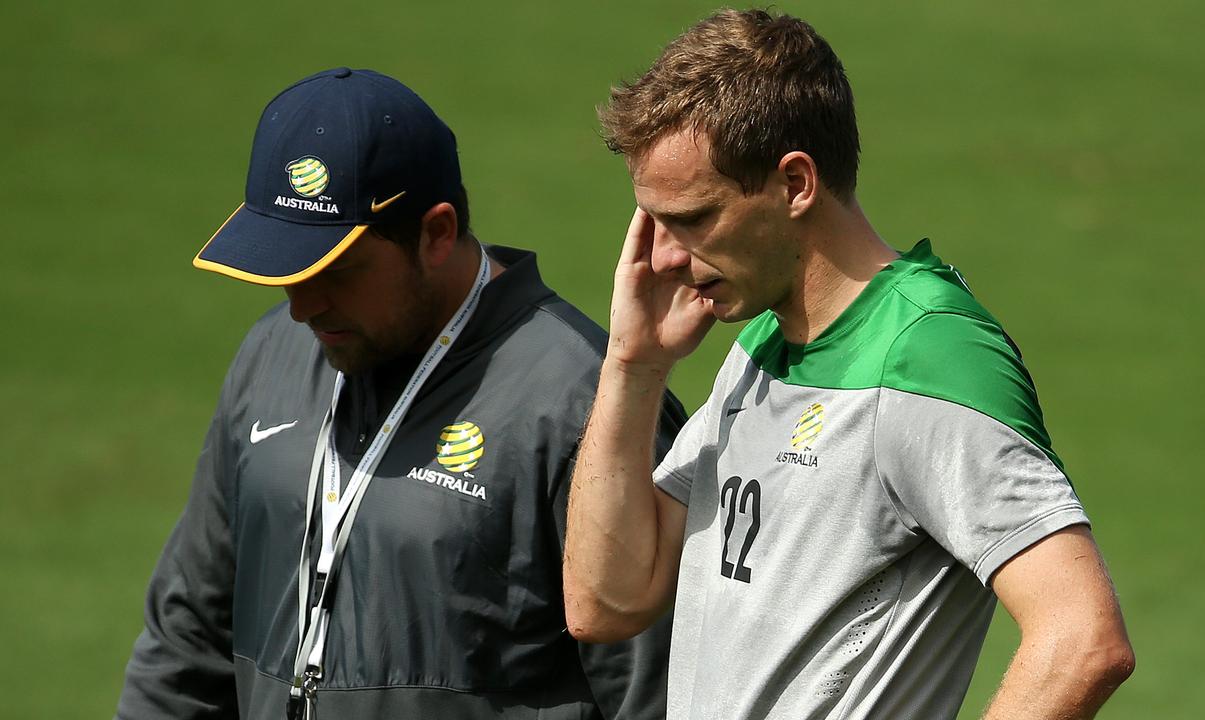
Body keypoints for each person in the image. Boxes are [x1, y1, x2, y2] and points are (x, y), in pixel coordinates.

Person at [563, 10, 1135, 719]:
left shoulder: (930, 356)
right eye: (656, 224)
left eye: (694, 218)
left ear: (796, 184)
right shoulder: (761, 349)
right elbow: (605, 603)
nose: (667, 259)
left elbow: (1083, 639)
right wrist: (632, 364)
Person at [116, 67, 683, 720]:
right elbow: (188, 637)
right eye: (288, 274)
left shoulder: (580, 403)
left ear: (436, 233)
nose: (302, 307)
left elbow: (660, 694)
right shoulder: (272, 354)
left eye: (337, 271)